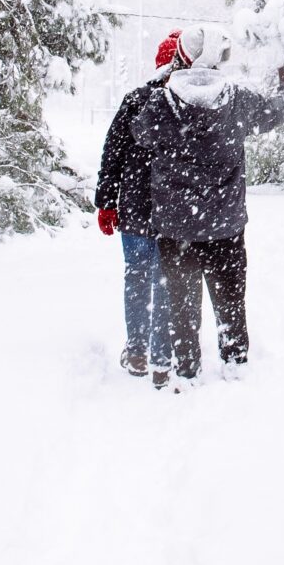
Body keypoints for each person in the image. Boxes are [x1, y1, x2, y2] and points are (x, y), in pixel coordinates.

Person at [125, 25, 284, 377]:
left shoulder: (160, 102)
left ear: (182, 58)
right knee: (231, 302)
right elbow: (274, 113)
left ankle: (187, 371)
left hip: (176, 229)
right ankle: (234, 365)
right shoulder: (237, 100)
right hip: (225, 226)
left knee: (182, 309)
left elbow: (139, 133)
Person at [94, 31, 181, 385]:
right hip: (172, 212)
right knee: (163, 282)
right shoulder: (184, 103)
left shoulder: (136, 100)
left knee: (137, 278)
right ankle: (161, 359)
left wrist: (106, 202)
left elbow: (111, 153)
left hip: (133, 209)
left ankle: (137, 353)